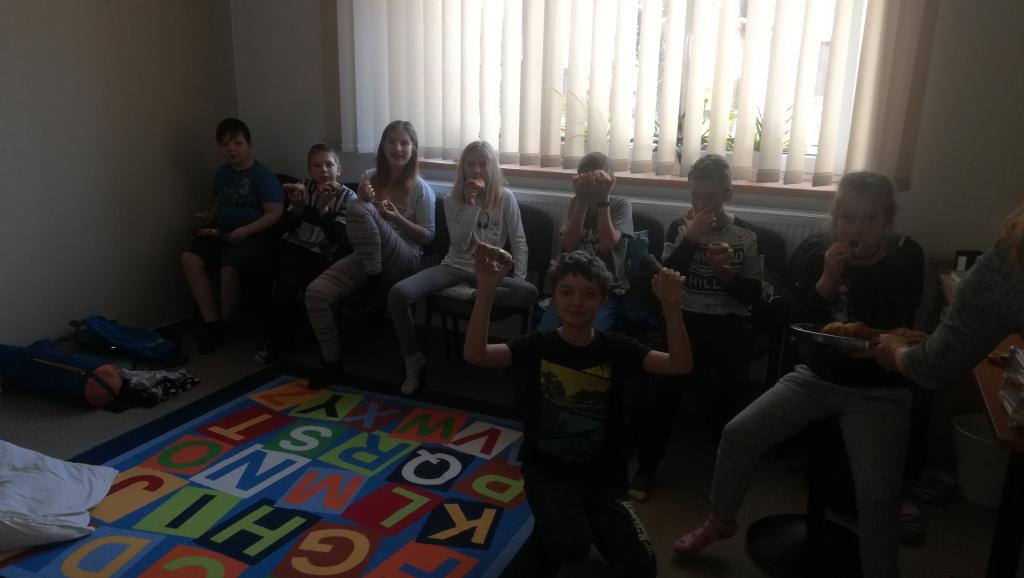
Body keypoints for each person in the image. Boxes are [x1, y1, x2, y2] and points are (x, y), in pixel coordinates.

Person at [672, 172, 923, 578]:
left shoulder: (900, 268)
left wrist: (871, 345)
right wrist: (826, 281)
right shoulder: (817, 259)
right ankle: (720, 519)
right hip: (815, 378)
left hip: (877, 393)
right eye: (847, 218)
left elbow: (897, 333)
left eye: (869, 219)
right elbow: (796, 325)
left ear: (886, 223)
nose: (856, 229)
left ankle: (881, 568)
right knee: (738, 433)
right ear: (834, 219)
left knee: (877, 493)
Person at [464, 249, 692, 578]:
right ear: (554, 297)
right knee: (570, 548)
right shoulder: (537, 344)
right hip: (548, 469)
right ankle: (561, 524)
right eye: (567, 292)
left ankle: (579, 518)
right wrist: (486, 291)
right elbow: (476, 354)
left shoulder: (617, 346)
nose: (577, 301)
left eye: (588, 293)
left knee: (642, 568)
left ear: (602, 300)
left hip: (604, 474)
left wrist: (672, 305)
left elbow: (679, 365)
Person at [630, 153, 761, 500]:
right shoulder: (680, 227)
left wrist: (725, 273)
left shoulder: (746, 235)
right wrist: (690, 238)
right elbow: (666, 275)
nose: (701, 204)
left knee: (731, 389)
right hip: (683, 317)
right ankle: (647, 465)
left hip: (727, 321)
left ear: (727, 195)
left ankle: (724, 463)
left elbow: (752, 294)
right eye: (695, 196)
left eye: (710, 197)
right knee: (663, 391)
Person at [387, 141, 537, 394]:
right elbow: (459, 244)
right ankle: (413, 359)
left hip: (488, 272)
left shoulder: (505, 198)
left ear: (492, 167)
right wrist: (471, 204)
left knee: (529, 292)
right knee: (398, 294)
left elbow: (519, 242)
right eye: (470, 164)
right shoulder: (452, 199)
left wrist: (518, 278)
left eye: (482, 164)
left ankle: (467, 294)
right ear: (463, 168)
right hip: (453, 268)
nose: (476, 170)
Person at [305, 121, 436, 386]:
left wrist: (395, 217)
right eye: (391, 141)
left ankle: (375, 282)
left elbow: (428, 237)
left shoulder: (421, 188)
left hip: (406, 257)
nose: (397, 148)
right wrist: (361, 200)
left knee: (358, 207)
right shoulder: (368, 176)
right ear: (382, 146)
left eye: (404, 143)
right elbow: (356, 226)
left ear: (413, 148)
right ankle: (332, 363)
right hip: (368, 256)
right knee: (316, 294)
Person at [868, 201, 1024, 381]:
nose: (857, 229)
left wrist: (894, 349)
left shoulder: (1009, 257)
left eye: (870, 219)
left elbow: (935, 364)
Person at [181, 118, 284, 354]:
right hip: (221, 232)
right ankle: (212, 321)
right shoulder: (222, 174)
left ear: (249, 145)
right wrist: (209, 217)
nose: (232, 149)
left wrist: (245, 230)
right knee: (189, 259)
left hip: (253, 235)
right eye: (226, 144)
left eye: (237, 143)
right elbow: (219, 203)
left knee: (229, 267)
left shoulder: (263, 176)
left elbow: (274, 213)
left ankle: (225, 324)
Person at [537, 152, 659, 335]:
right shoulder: (575, 203)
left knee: (591, 332)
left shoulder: (621, 205)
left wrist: (603, 201)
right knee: (548, 331)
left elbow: (607, 244)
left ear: (612, 182)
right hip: (574, 281)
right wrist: (582, 202)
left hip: (607, 288)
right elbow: (569, 245)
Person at [255, 143, 356, 363]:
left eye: (329, 165)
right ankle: (273, 329)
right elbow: (287, 227)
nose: (324, 170)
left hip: (321, 253)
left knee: (288, 279)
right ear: (310, 170)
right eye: (317, 166)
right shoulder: (304, 187)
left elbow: (338, 238)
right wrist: (298, 210)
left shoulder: (348, 198)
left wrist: (324, 210)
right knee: (262, 264)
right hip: (293, 245)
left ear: (339, 169)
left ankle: (276, 341)